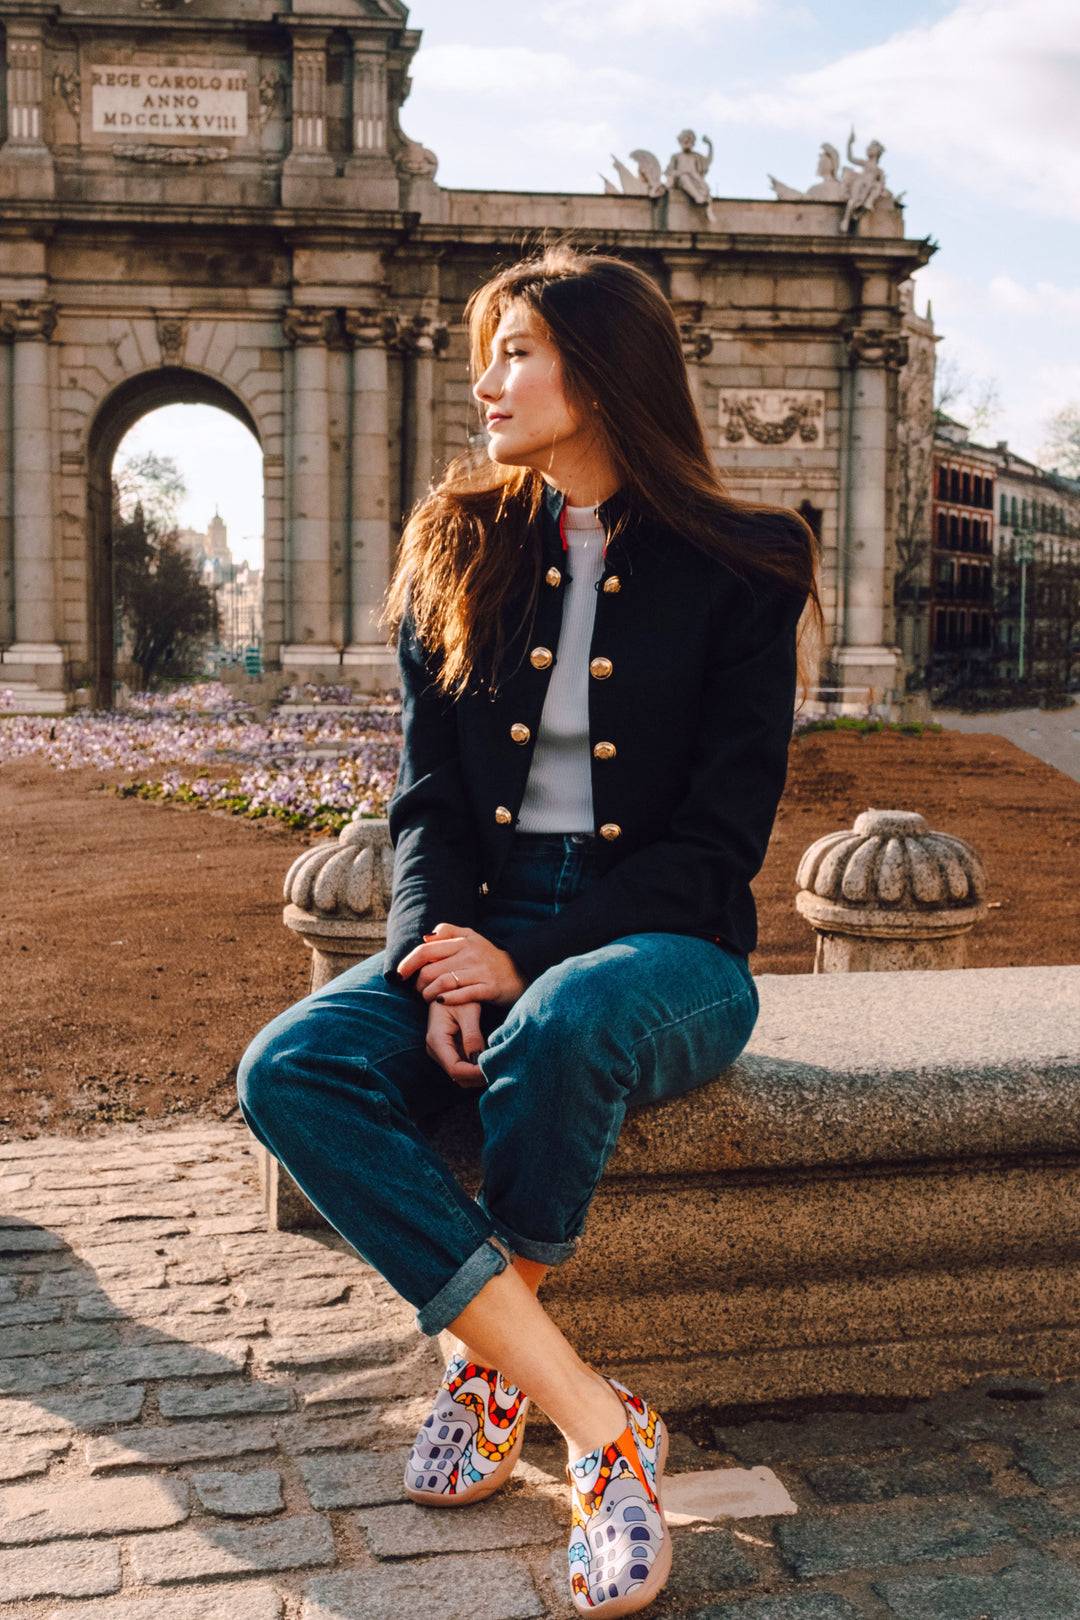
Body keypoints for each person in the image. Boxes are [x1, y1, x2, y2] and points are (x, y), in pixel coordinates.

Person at [238, 244, 819, 1616]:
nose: (486, 381)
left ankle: (493, 1378)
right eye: (485, 352)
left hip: (665, 953)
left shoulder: (747, 562)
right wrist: (435, 950)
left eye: (518, 352)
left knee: (562, 1024)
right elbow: (427, 798)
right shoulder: (457, 539)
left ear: (603, 374)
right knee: (288, 1071)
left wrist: (524, 961)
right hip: (480, 926)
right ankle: (593, 1417)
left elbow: (717, 847)